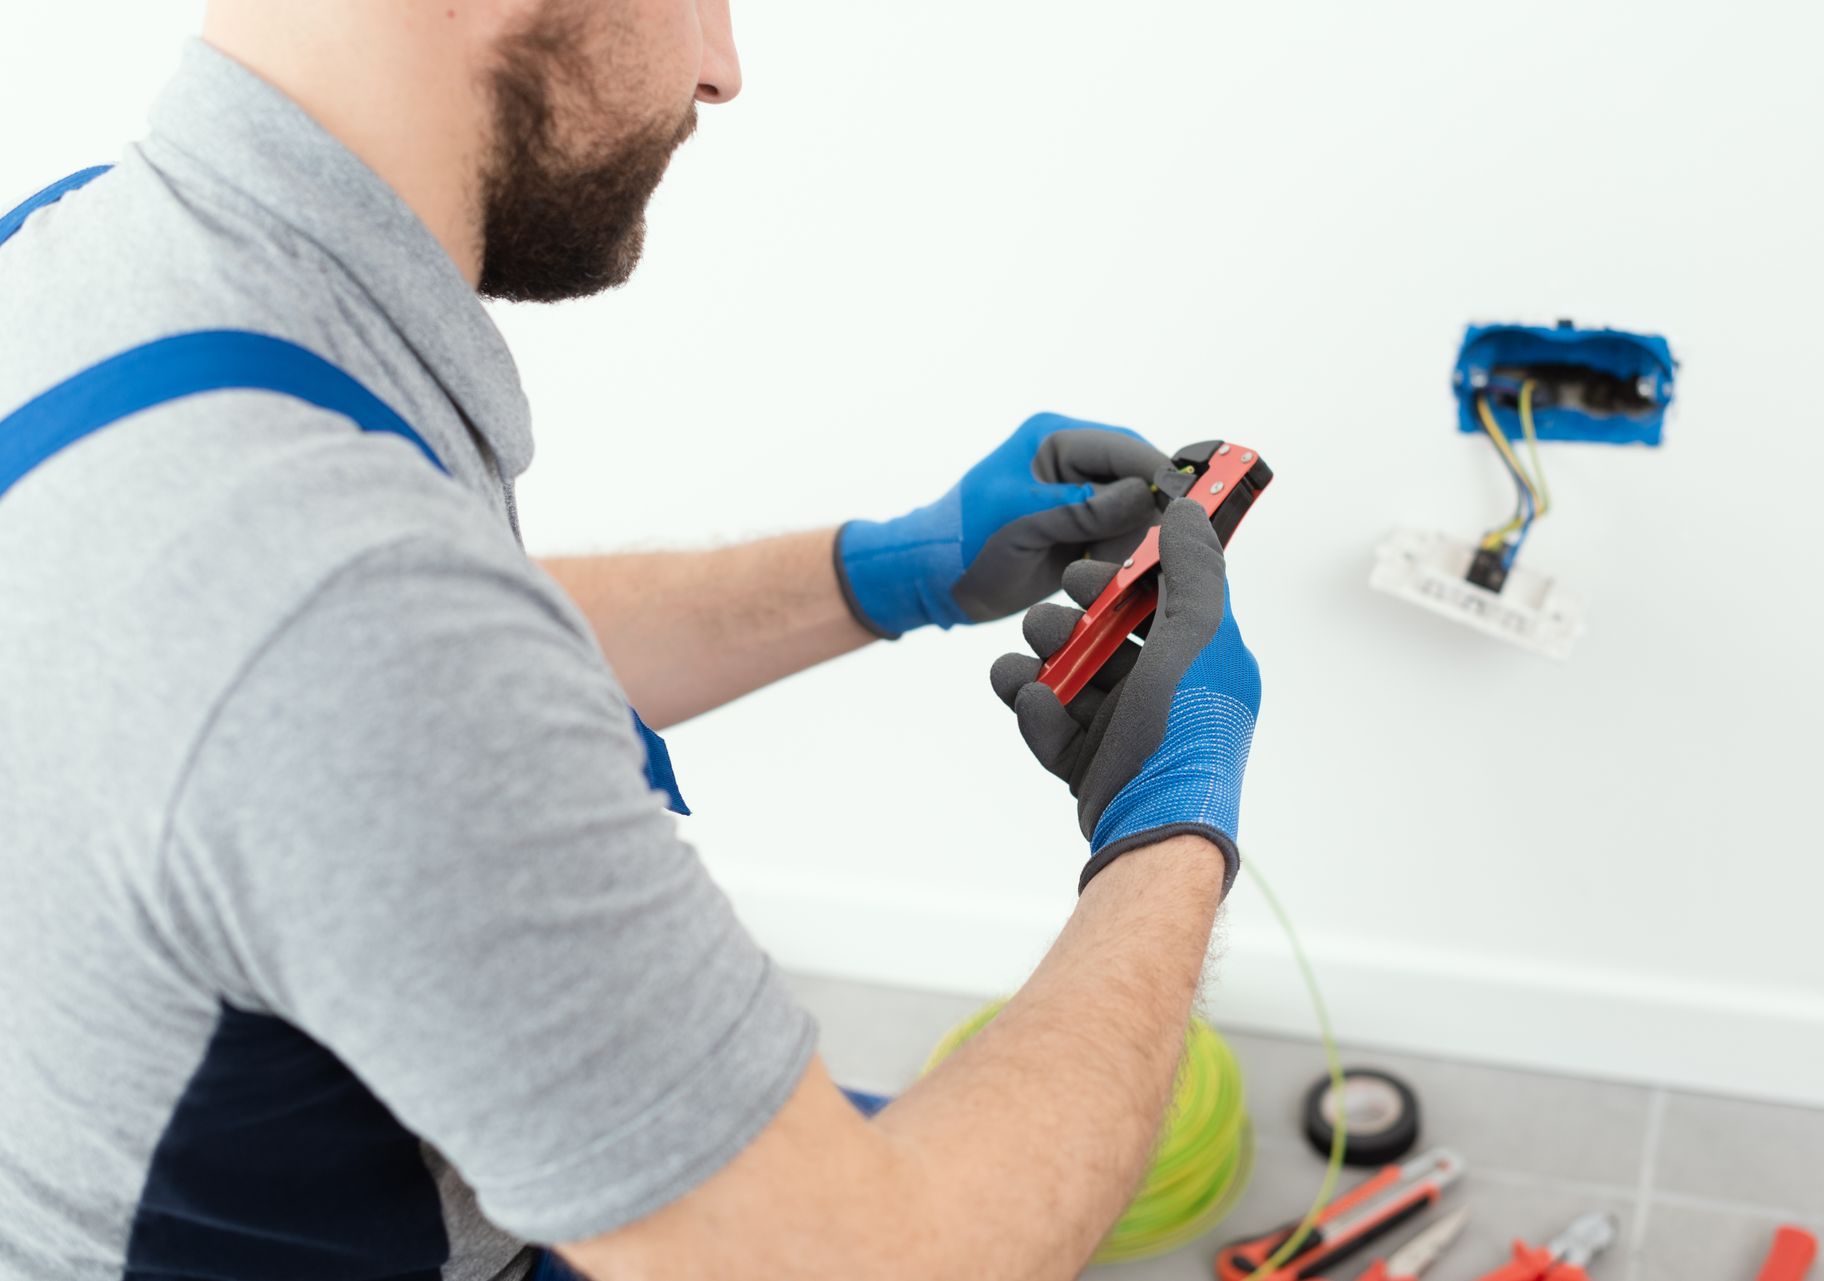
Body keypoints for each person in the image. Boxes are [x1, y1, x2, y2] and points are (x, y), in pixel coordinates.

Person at [0, 2, 1261, 1278]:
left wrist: (894, 569)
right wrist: (1174, 812)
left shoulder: (84, 262)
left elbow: (369, 678)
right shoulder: (350, 613)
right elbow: (879, 1262)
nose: (721, 70)